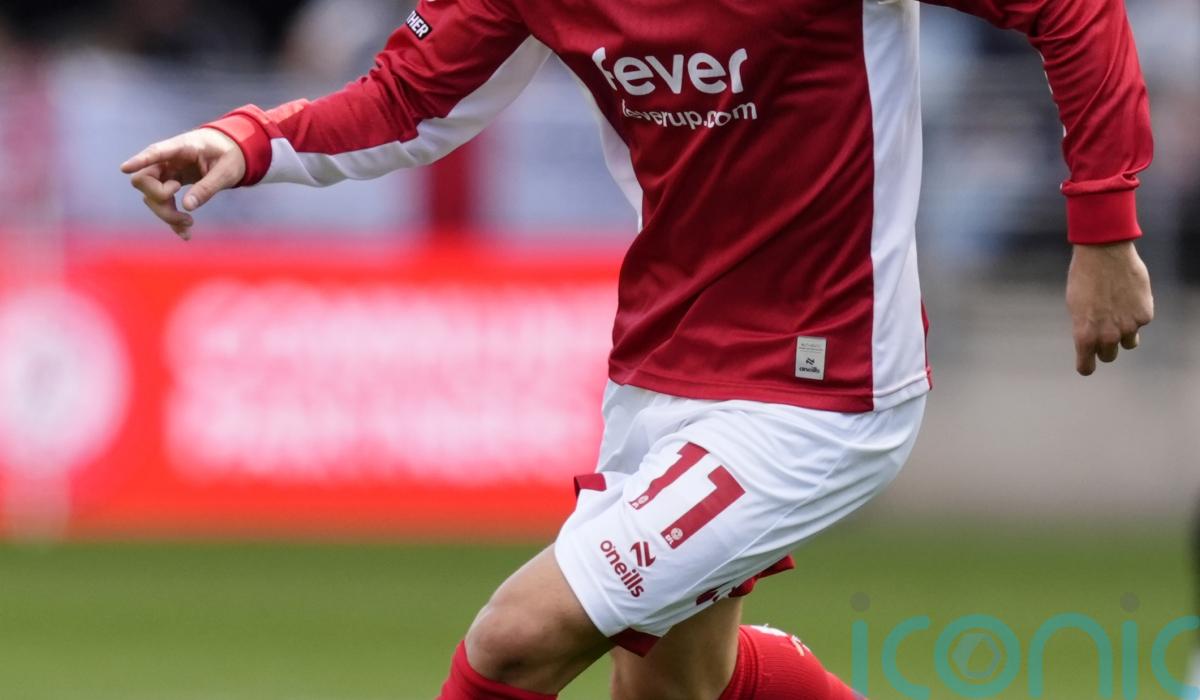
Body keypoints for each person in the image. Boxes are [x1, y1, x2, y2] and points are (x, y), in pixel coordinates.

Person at [120, 0, 1155, 696]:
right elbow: (407, 99)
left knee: (518, 637)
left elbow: (1074, 10)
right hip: (660, 371)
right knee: (675, 684)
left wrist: (1103, 232)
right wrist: (248, 140)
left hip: (820, 385)